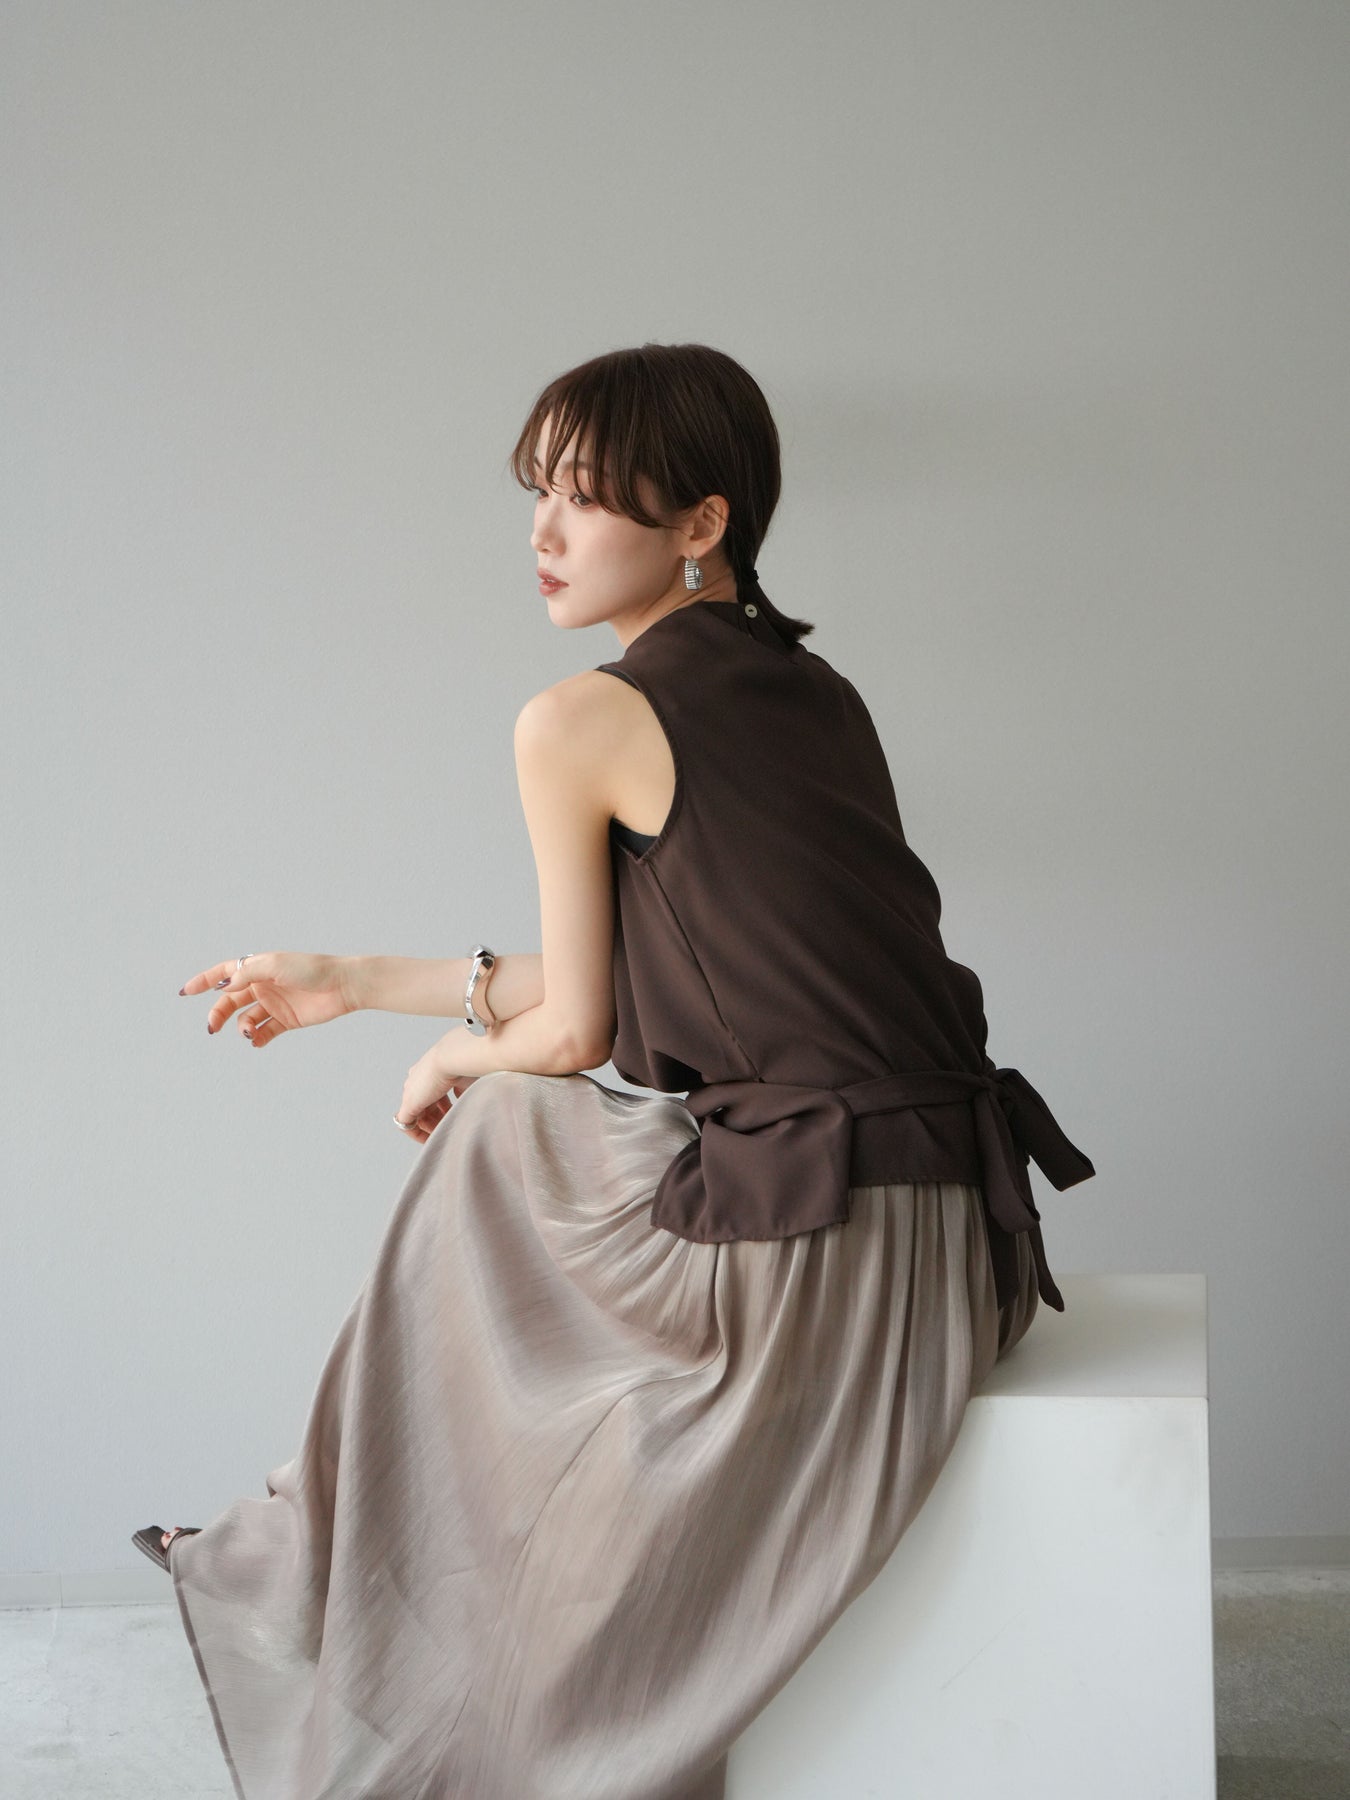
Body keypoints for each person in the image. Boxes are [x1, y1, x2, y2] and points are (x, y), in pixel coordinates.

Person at [134, 342, 1094, 1799]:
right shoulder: (816, 691)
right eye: (537, 494)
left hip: (820, 1256)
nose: (543, 533)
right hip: (961, 1241)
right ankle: (305, 1545)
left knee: (502, 1124)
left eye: (582, 499)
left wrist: (455, 1050)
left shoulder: (577, 717)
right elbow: (693, 976)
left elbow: (580, 1029)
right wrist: (358, 983)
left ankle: (308, 1555)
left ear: (700, 522)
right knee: (515, 1121)